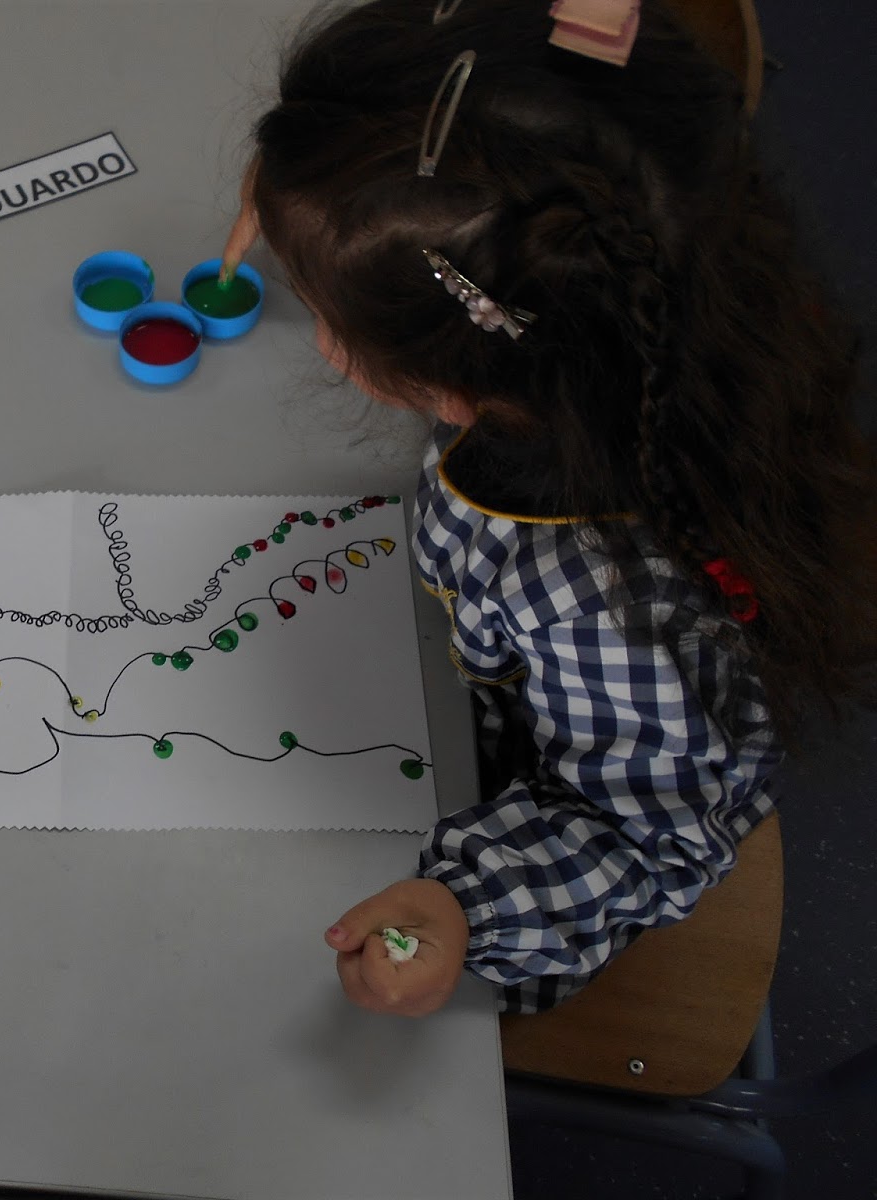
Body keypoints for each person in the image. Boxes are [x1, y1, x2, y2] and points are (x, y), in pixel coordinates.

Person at [220, 0, 875, 1016]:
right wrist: (308, 199)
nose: (318, 338)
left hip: (543, 846)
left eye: (323, 312)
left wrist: (462, 909)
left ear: (451, 379)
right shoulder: (631, 292)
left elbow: (642, 832)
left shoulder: (590, 601)